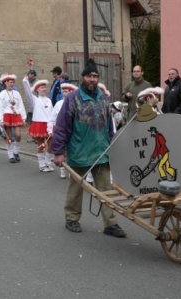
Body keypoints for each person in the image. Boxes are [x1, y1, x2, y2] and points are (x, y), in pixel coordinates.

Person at [52, 58, 127, 237]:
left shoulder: (103, 98)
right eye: (89, 76)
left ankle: (110, 224)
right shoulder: (72, 99)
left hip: (101, 152)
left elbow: (109, 126)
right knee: (76, 188)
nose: (92, 79)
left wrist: (112, 146)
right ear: (82, 77)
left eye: (95, 76)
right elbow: (62, 127)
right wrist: (58, 152)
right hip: (79, 151)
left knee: (106, 190)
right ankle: (71, 218)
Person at [23, 76, 55, 171]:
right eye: (42, 87)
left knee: (51, 144)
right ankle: (42, 165)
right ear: (37, 89)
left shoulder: (49, 100)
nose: (44, 89)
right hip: (39, 124)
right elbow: (28, 91)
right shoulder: (34, 99)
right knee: (41, 145)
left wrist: (54, 123)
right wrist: (26, 79)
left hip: (48, 124)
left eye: (45, 87)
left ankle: (48, 162)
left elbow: (52, 112)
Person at [0, 74, 26, 163]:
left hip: (16, 115)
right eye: (10, 82)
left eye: (13, 82)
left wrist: (23, 118)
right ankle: (10, 154)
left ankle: (16, 151)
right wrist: (1, 120)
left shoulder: (17, 93)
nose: (12, 84)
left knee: (18, 135)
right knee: (9, 136)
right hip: (7, 115)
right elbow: (0, 108)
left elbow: (21, 105)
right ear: (5, 83)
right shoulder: (2, 94)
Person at [51, 82, 78, 178]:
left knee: (70, 151)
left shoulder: (74, 103)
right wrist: (50, 129)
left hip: (72, 131)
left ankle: (71, 171)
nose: (64, 93)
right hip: (61, 130)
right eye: (63, 91)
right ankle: (62, 170)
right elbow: (53, 117)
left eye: (66, 92)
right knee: (62, 150)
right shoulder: (58, 104)